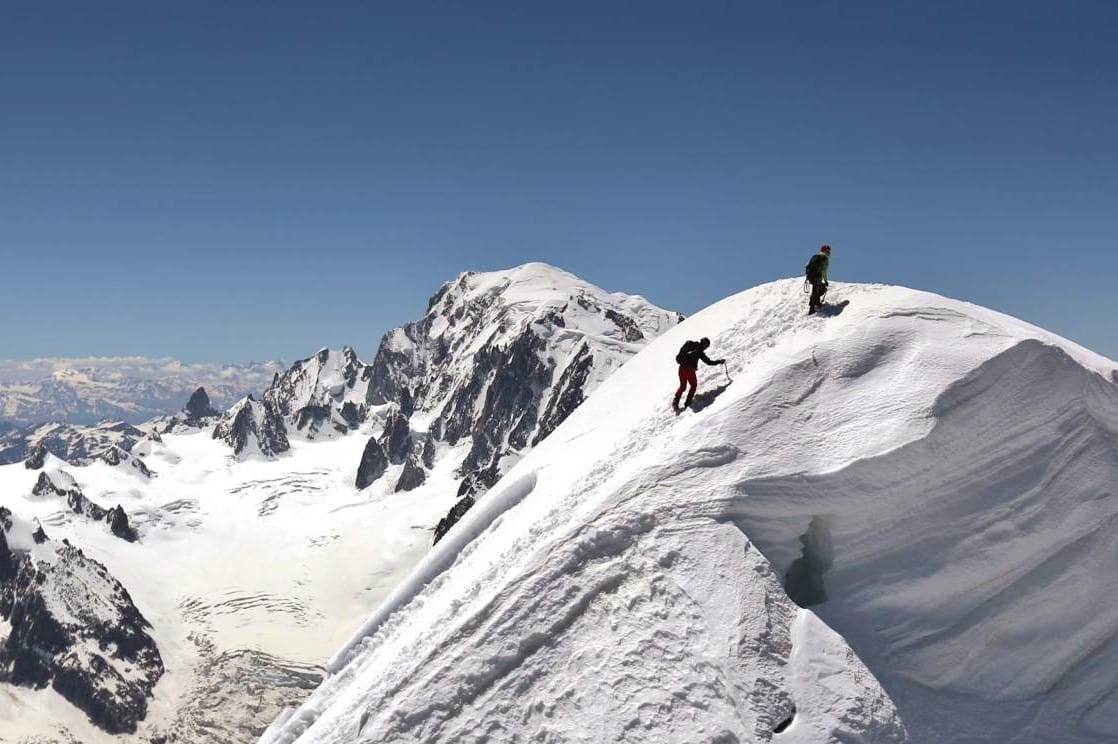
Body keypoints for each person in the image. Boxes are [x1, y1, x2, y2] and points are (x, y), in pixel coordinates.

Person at [673, 337, 725, 410]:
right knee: (693, 385)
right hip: (689, 369)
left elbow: (681, 354)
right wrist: (719, 361)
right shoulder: (700, 352)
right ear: (704, 344)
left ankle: (675, 401)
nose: (705, 348)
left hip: (681, 368)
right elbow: (709, 362)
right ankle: (687, 403)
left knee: (682, 386)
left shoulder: (691, 344)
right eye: (706, 346)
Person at [805, 244, 831, 315]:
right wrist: (825, 280)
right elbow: (824, 270)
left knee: (817, 289)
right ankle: (812, 308)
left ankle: (816, 303)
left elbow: (807, 265)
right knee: (817, 290)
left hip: (811, 277)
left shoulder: (816, 256)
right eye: (828, 250)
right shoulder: (825, 258)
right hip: (817, 276)